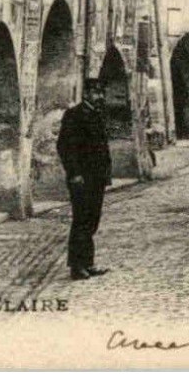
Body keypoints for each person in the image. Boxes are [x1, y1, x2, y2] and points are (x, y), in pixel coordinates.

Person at [56, 82, 114, 280]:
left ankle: (88, 263)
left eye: (101, 93)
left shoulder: (96, 114)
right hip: (81, 178)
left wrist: (105, 174)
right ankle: (76, 266)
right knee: (81, 220)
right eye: (97, 93)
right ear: (87, 93)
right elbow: (65, 147)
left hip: (96, 177)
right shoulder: (74, 115)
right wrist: (74, 173)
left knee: (92, 220)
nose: (100, 97)